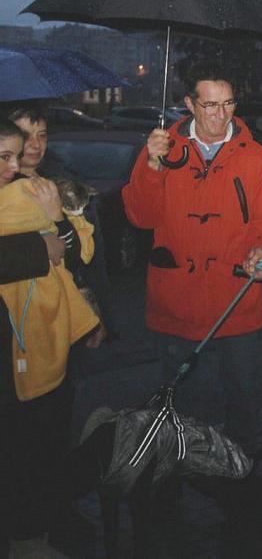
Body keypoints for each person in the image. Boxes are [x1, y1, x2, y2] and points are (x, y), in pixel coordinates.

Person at [122, 67, 262, 451]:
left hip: (236, 301)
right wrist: (152, 167)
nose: (220, 114)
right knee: (185, 404)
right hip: (178, 301)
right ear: (189, 104)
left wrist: (258, 249)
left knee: (242, 400)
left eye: (228, 104)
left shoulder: (257, 158)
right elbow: (141, 217)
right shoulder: (162, 150)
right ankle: (180, 470)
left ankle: (241, 473)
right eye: (210, 105)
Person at [0, 116, 97, 557]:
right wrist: (53, 234)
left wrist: (59, 218)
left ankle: (48, 517)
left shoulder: (46, 185)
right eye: (21, 142)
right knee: (25, 443)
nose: (31, 149)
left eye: (40, 137)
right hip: (21, 339)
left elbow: (84, 254)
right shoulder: (19, 191)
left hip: (56, 331)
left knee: (50, 435)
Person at [7, 104, 109, 347]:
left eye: (42, 135)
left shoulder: (56, 183)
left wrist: (94, 313)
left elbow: (81, 264)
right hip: (24, 324)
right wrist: (58, 220)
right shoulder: (10, 195)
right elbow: (61, 254)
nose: (35, 144)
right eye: (25, 135)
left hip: (65, 315)